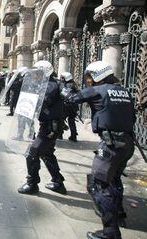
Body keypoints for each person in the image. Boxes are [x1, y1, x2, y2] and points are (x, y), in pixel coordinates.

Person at [64, 61, 135, 239]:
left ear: (97, 76)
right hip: (127, 145)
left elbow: (71, 98)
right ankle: (118, 214)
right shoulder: (124, 91)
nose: (89, 81)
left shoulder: (98, 90)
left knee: (98, 184)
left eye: (90, 77)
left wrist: (63, 87)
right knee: (114, 179)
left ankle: (110, 233)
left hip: (110, 147)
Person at [18, 60, 66, 195]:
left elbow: (42, 101)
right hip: (50, 126)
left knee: (32, 153)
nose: (35, 76)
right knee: (47, 153)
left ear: (45, 72)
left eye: (38, 73)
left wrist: (30, 103)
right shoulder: (47, 84)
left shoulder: (50, 85)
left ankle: (32, 183)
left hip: (50, 127)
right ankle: (58, 182)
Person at [59, 72, 79, 142]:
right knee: (71, 120)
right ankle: (73, 135)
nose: (61, 79)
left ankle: (60, 134)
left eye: (62, 78)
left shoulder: (67, 85)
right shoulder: (73, 84)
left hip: (66, 105)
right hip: (73, 105)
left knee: (61, 119)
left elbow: (65, 95)